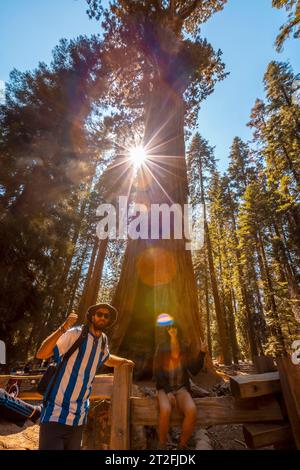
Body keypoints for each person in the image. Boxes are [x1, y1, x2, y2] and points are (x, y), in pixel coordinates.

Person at [36, 303, 134, 450]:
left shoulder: (103, 341)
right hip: (55, 414)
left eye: (106, 316)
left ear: (109, 320)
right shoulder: (76, 333)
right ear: (92, 316)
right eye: (99, 314)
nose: (102, 318)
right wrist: (63, 328)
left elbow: (106, 358)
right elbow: (42, 354)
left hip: (79, 419)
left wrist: (125, 362)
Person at [153, 313, 207, 450]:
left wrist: (202, 353)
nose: (172, 329)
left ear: (178, 329)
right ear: (166, 330)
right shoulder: (162, 347)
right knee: (165, 410)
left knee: (192, 410)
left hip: (181, 388)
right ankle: (162, 444)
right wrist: (169, 391)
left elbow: (193, 370)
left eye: (174, 327)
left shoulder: (184, 348)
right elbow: (157, 372)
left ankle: (182, 445)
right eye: (169, 327)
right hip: (164, 389)